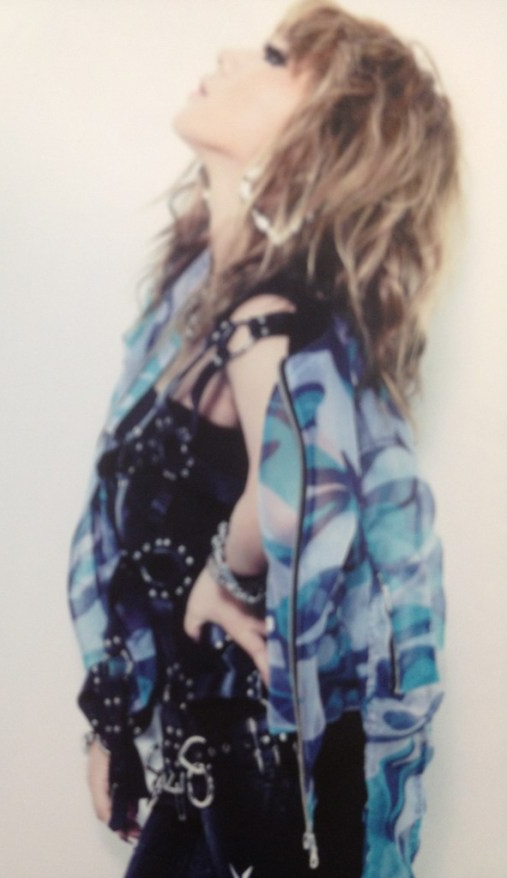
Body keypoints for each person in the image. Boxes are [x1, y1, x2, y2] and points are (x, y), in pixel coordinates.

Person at [68, 2, 458, 876]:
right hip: (215, 784)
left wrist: (224, 571)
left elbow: (294, 497)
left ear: (321, 141)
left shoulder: (266, 318)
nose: (230, 54)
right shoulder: (199, 313)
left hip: (267, 804)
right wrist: (115, 724)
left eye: (277, 58)